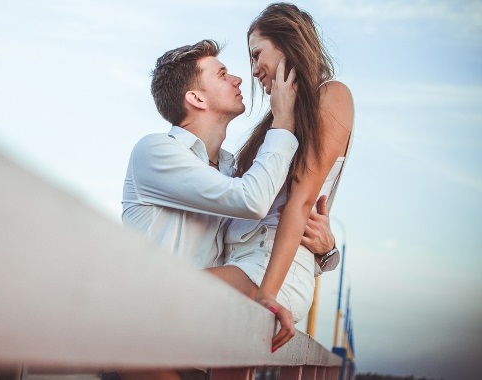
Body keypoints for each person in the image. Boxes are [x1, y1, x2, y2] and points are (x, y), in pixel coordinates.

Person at [118, 39, 337, 380]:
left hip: (197, 353)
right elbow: (252, 201)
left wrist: (326, 252)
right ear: (196, 98)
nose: (238, 79)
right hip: (144, 349)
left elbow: (259, 241)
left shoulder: (229, 172)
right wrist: (283, 121)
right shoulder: (156, 151)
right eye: (222, 74)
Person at [224, 2, 355, 352]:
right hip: (241, 261)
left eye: (257, 54)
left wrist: (267, 294)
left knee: (152, 303)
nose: (253, 70)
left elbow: (301, 201)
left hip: (270, 271)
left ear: (287, 43)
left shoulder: (332, 96)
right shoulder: (277, 120)